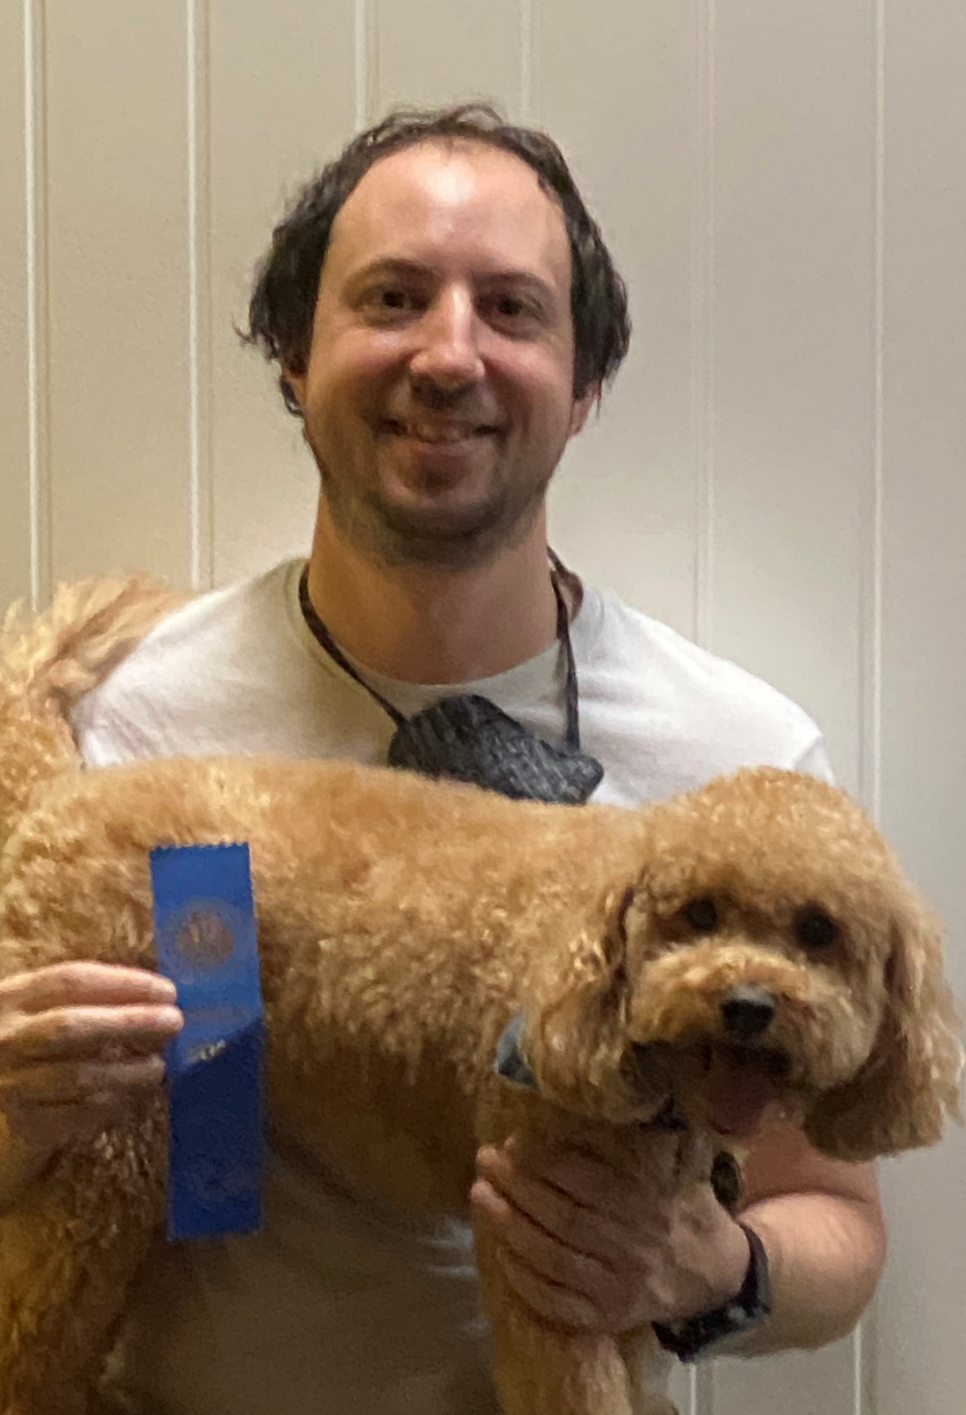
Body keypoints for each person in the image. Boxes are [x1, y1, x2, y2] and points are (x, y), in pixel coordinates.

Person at [0, 105, 884, 1414]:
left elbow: (838, 1223)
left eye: (514, 309)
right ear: (294, 358)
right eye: (394, 297)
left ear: (583, 386)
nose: (450, 353)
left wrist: (717, 1261)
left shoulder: (743, 767)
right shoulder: (121, 729)